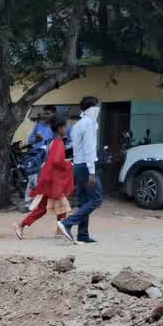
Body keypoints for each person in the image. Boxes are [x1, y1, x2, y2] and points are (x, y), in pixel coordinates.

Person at [14, 116, 74, 239]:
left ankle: (22, 225)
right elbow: (57, 161)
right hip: (54, 180)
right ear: (60, 128)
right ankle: (60, 229)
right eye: (64, 127)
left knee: (43, 208)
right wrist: (68, 163)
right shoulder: (58, 142)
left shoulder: (51, 141)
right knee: (62, 206)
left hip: (48, 178)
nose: (66, 129)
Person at [59, 96, 102, 244]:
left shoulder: (77, 125)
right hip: (86, 166)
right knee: (96, 199)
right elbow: (89, 148)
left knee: (84, 200)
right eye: (97, 106)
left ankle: (83, 234)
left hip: (77, 166)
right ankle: (67, 223)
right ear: (92, 108)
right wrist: (92, 171)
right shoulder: (89, 124)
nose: (99, 109)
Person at [19, 106, 57, 211]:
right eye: (44, 113)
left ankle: (48, 203)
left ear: (54, 114)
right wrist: (36, 138)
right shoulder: (39, 126)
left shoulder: (56, 127)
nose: (44, 115)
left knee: (49, 179)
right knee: (33, 178)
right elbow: (30, 140)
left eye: (47, 113)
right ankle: (28, 204)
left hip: (50, 156)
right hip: (36, 155)